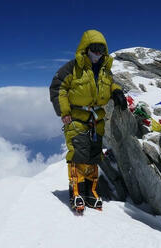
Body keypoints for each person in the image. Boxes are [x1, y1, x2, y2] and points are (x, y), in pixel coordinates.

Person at [50, 30, 127, 212]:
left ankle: (91, 192)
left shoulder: (104, 71)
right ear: (86, 49)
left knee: (94, 155)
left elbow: (110, 84)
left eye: (101, 49)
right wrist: (64, 111)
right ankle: (76, 191)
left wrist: (116, 91)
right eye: (94, 48)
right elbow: (57, 88)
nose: (98, 53)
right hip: (76, 117)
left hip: (96, 120)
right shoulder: (71, 68)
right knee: (79, 153)